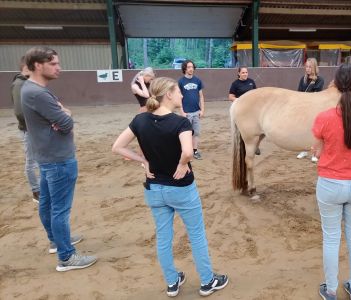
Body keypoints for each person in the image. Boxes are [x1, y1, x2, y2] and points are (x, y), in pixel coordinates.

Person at [112, 77, 228, 297]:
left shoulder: (140, 120)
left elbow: (117, 147)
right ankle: (207, 281)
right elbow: (187, 151)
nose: (182, 95)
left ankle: (172, 282)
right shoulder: (181, 123)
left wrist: (144, 161)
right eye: (178, 92)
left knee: (163, 237)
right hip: (181, 188)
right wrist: (183, 163)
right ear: (168, 94)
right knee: (196, 235)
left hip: (154, 189)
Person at [21, 46, 97, 271]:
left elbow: (61, 116)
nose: (59, 68)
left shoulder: (31, 89)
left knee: (48, 204)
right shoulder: (39, 93)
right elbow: (66, 122)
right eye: (53, 63)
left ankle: (57, 241)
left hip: (47, 157)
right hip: (58, 158)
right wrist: (65, 115)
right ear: (38, 65)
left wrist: (62, 115)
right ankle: (66, 256)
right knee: (59, 209)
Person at [311, 63, 351, 300]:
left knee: (331, 238)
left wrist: (320, 150)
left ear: (334, 85)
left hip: (330, 184)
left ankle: (330, 290)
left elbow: (316, 151)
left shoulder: (324, 118)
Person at [11, 56, 40, 203]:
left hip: (33, 129)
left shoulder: (27, 83)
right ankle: (36, 191)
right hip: (29, 130)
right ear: (25, 67)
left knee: (37, 159)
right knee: (31, 161)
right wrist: (33, 125)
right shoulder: (19, 84)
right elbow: (20, 112)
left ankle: (39, 188)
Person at [297, 57, 324, 162]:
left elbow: (316, 94)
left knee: (314, 131)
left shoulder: (319, 80)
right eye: (306, 67)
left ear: (314, 67)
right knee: (302, 129)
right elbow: (298, 92)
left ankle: (314, 152)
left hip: (314, 108)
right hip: (303, 108)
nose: (307, 69)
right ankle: (304, 150)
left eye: (310, 67)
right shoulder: (302, 79)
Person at [179, 60, 205, 160]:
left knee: (196, 132)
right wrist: (182, 111)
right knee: (186, 133)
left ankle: (195, 151)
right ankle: (186, 150)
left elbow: (201, 96)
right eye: (189, 67)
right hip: (186, 112)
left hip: (196, 112)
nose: (191, 69)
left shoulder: (197, 80)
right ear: (185, 68)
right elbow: (179, 98)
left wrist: (202, 110)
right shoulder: (181, 82)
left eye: (192, 67)